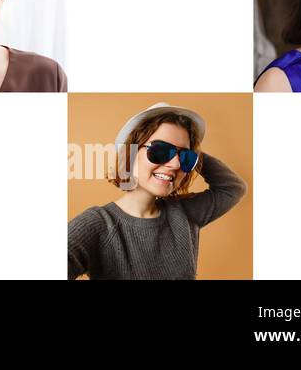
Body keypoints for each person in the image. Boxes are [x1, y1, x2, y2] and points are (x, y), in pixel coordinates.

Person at [68, 102, 247, 280]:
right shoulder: (98, 225)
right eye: (160, 150)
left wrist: (193, 152)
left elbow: (232, 188)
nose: (176, 164)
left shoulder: (184, 213)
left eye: (184, 157)